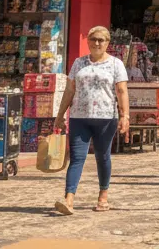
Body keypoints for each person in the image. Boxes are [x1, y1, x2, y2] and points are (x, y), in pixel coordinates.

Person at [53, 26, 128, 215]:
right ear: (87, 41)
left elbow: (121, 91)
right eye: (93, 39)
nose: (97, 43)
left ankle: (103, 195)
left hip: (105, 118)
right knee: (77, 158)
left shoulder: (115, 64)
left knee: (102, 157)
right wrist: (60, 115)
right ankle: (69, 199)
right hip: (79, 117)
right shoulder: (79, 63)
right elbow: (70, 90)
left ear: (107, 43)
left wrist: (125, 115)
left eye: (101, 40)